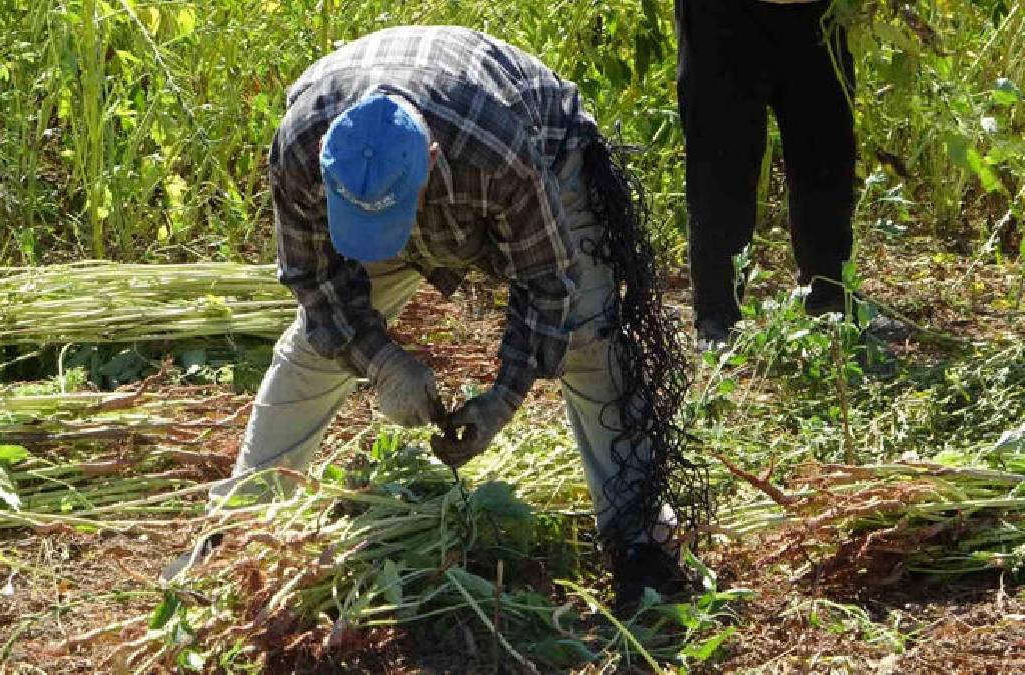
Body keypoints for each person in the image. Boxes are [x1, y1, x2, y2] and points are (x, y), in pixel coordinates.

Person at [164, 26, 696, 604]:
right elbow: (313, 279)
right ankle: (235, 526)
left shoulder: (497, 153)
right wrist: (385, 363)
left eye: (391, 218)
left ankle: (641, 542)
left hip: (543, 152)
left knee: (590, 345)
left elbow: (549, 284)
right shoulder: (301, 145)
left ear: (432, 160)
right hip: (412, 176)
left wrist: (504, 397)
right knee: (313, 353)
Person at [675, 0, 864, 348]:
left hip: (819, 14)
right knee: (719, 164)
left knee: (825, 155)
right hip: (719, 18)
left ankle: (831, 301)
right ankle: (718, 319)